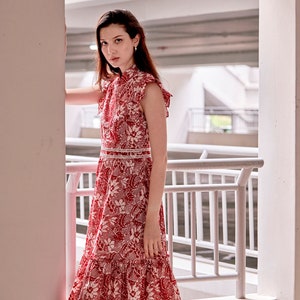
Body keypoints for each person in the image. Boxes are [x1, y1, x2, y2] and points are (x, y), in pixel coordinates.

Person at [66, 9, 181, 300]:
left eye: (117, 40)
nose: (110, 50)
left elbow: (160, 159)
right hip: (108, 197)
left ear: (136, 40)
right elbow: (62, 94)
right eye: (104, 44)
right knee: (103, 260)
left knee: (138, 262)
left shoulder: (149, 89)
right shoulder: (110, 86)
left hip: (136, 200)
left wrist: (152, 219)